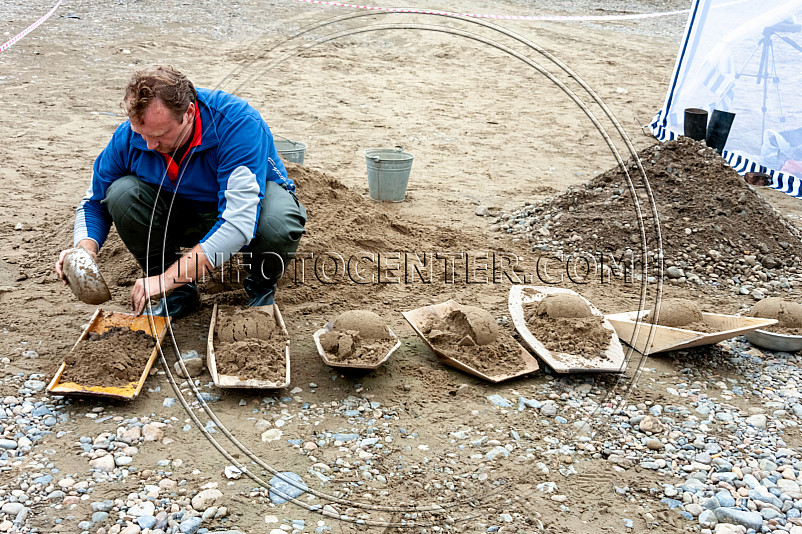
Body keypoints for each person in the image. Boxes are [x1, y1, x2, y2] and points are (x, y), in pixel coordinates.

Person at [55, 65, 307, 319]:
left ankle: (260, 290)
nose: (150, 145)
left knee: (279, 222)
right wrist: (84, 250)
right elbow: (93, 202)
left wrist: (164, 280)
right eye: (141, 134)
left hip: (248, 214)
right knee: (122, 193)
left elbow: (238, 225)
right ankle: (180, 294)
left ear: (188, 113)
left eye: (160, 135)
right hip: (182, 213)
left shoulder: (237, 125)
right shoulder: (130, 137)